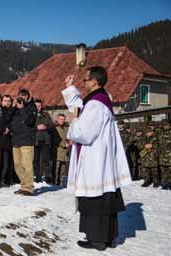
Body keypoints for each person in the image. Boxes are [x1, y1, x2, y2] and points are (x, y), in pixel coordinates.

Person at [62, 66, 131, 251]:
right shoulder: (99, 99)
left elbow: (84, 133)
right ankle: (105, 237)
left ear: (94, 81)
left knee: (95, 197)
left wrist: (74, 121)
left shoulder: (96, 104)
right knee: (102, 196)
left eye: (85, 80)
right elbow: (79, 105)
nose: (83, 83)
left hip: (95, 160)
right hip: (99, 157)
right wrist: (70, 88)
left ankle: (98, 239)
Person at [10, 89, 37, 196]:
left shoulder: (32, 107)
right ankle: (24, 184)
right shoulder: (16, 108)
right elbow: (8, 118)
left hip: (27, 140)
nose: (22, 98)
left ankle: (28, 187)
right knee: (17, 165)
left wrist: (22, 109)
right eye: (20, 96)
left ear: (28, 97)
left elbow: (30, 121)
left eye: (24, 96)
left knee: (27, 165)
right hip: (16, 140)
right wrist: (13, 107)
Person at [33, 99, 55, 183]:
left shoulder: (46, 114)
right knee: (36, 160)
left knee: (46, 160)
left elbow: (51, 124)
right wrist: (36, 127)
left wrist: (46, 126)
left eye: (39, 106)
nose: (37, 108)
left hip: (45, 140)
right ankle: (37, 176)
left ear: (41, 106)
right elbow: (29, 126)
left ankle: (47, 176)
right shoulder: (32, 114)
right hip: (35, 139)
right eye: (36, 106)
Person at [52, 113, 70, 186]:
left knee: (63, 168)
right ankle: (54, 182)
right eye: (60, 119)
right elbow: (55, 138)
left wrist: (70, 142)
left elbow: (69, 136)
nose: (62, 121)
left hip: (66, 151)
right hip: (57, 149)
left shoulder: (67, 127)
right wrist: (63, 144)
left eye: (63, 119)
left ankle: (60, 182)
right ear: (57, 119)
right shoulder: (54, 127)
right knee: (56, 167)